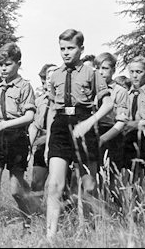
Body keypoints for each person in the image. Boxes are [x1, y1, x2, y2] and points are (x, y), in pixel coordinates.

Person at [45, 29, 113, 239]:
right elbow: (51, 110)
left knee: (88, 186)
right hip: (60, 127)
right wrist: (49, 141)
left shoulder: (91, 73)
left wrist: (89, 123)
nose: (66, 53)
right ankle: (50, 237)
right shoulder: (55, 74)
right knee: (55, 185)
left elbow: (108, 104)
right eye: (62, 48)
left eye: (70, 48)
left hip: (84, 123)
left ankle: (89, 229)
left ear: (81, 49)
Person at [0, 42, 36, 238]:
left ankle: (29, 222)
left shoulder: (25, 86)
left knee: (16, 190)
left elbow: (29, 116)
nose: (3, 68)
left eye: (8, 64)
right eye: (0, 65)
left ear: (18, 64)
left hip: (16, 139)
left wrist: (3, 125)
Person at [94, 52, 129, 191]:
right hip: (93, 132)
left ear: (113, 70)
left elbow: (121, 121)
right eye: (98, 68)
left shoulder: (120, 92)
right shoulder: (91, 89)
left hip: (111, 134)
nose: (101, 72)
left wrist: (102, 139)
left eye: (105, 68)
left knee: (112, 178)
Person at [28, 64, 57, 198]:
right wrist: (29, 147)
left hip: (59, 143)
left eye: (54, 77)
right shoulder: (39, 101)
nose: (51, 80)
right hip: (41, 144)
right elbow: (35, 125)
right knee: (36, 182)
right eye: (48, 78)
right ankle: (36, 214)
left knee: (59, 184)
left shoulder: (64, 101)